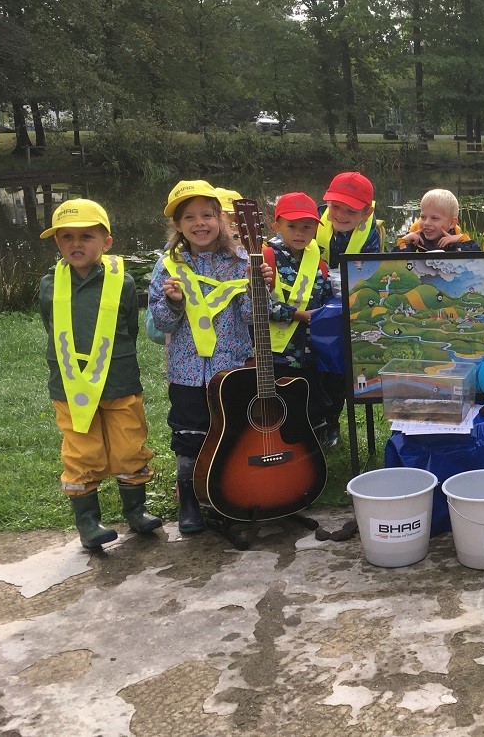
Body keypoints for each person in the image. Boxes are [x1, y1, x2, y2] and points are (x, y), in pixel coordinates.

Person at [39, 199, 162, 549]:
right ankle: (89, 523)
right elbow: (51, 325)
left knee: (129, 446)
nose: (76, 244)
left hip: (119, 381)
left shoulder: (122, 282)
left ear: (106, 242)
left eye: (86, 236)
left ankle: (136, 511)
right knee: (82, 453)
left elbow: (129, 328)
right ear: (58, 243)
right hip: (70, 387)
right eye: (67, 238)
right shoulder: (49, 284)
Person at [149, 179, 264, 534]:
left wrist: (260, 288)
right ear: (178, 225)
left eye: (207, 215)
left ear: (221, 219)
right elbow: (161, 322)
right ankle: (190, 499)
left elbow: (251, 317)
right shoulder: (168, 266)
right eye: (189, 217)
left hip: (230, 368)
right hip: (186, 371)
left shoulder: (242, 261)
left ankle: (231, 494)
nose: (199, 223)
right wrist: (172, 301)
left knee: (233, 432)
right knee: (190, 435)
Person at [317, 171, 383, 448]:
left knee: (339, 364)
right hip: (310, 303)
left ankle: (329, 420)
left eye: (350, 210)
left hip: (348, 308)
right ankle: (314, 421)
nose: (340, 215)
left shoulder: (373, 235)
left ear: (366, 212)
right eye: (335, 207)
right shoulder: (310, 221)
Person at [264, 192, 335, 444]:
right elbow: (258, 304)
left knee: (312, 400)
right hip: (277, 352)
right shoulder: (267, 258)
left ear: (317, 227)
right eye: (292, 226)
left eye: (307, 226)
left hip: (311, 349)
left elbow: (326, 298)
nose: (300, 232)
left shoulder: (319, 262)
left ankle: (314, 447)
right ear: (276, 225)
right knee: (283, 404)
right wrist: (297, 315)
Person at [396, 188, 480, 252]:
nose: (426, 223)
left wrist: (461, 239)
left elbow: (478, 262)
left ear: (452, 223)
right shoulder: (415, 238)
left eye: (434, 218)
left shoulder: (458, 240)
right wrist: (404, 241)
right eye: (423, 217)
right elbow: (392, 264)